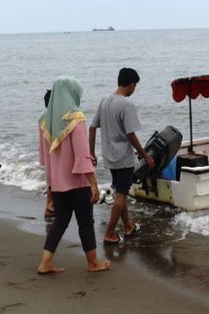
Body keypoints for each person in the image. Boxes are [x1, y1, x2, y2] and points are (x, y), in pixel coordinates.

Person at [37, 77, 110, 274]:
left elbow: (45, 158)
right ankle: (93, 262)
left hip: (58, 184)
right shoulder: (76, 119)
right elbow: (82, 155)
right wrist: (93, 183)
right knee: (86, 222)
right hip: (77, 183)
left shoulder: (44, 120)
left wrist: (51, 185)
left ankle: (45, 262)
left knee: (60, 222)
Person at [89, 68, 155, 244]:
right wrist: (145, 156)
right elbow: (131, 135)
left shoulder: (104, 101)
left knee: (121, 192)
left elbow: (92, 127)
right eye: (135, 86)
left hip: (109, 157)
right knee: (121, 195)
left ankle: (128, 226)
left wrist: (91, 152)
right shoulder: (126, 105)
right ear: (131, 84)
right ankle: (109, 233)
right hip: (123, 158)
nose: (134, 89)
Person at [42, 89, 55, 219]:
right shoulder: (53, 117)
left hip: (47, 153)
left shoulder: (42, 116)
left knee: (51, 180)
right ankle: (50, 208)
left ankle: (50, 207)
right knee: (54, 181)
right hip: (54, 153)